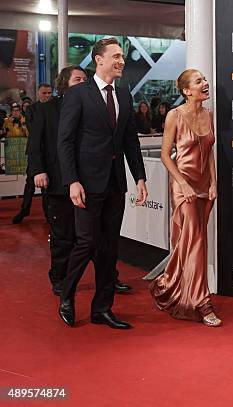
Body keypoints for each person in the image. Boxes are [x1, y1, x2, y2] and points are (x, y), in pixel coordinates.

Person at [57, 37, 147, 329]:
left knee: (109, 248)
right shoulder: (78, 94)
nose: (122, 61)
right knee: (87, 243)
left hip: (115, 184)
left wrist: (140, 177)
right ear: (99, 60)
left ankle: (102, 309)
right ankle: (67, 296)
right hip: (85, 183)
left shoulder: (124, 95)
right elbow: (65, 142)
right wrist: (72, 181)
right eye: (117, 56)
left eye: (123, 56)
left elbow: (129, 141)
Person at [150, 68, 220, 327]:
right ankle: (202, 303)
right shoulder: (174, 116)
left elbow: (209, 152)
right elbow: (166, 156)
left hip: (204, 187)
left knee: (190, 243)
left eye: (204, 79)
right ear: (186, 91)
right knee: (197, 242)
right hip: (183, 187)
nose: (205, 83)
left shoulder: (208, 114)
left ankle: (169, 285)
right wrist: (183, 184)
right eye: (199, 81)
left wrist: (213, 182)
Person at [27, 69, 87, 294]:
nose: (82, 83)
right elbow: (35, 144)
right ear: (64, 84)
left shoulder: (89, 107)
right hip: (57, 181)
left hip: (87, 181)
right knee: (62, 234)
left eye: (85, 80)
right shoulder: (45, 109)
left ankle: (109, 277)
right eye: (77, 79)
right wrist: (38, 170)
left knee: (94, 235)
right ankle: (59, 278)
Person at [12, 84, 53, 224]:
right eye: (44, 93)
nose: (47, 95)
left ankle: (48, 215)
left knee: (47, 187)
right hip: (35, 152)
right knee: (30, 183)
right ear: (38, 93)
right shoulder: (32, 109)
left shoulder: (55, 107)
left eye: (49, 93)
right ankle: (24, 210)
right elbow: (32, 129)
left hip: (50, 153)